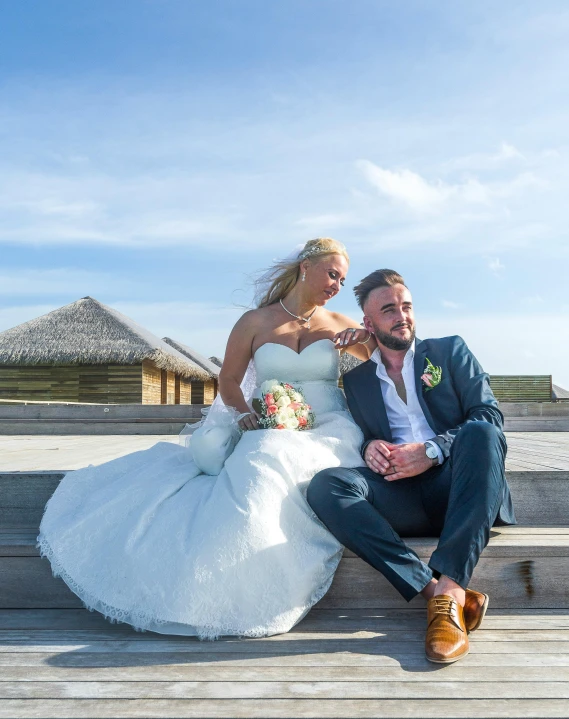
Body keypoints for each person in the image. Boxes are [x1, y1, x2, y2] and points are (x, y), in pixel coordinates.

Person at [38, 238, 374, 639]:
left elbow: (387, 362)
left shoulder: (341, 325)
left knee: (278, 456)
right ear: (305, 267)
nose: (337, 284)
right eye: (332, 273)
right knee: (262, 456)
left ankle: (265, 579)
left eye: (342, 278)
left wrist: (364, 340)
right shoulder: (254, 322)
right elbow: (228, 380)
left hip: (330, 427)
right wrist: (247, 413)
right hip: (267, 423)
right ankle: (221, 584)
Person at [307, 269, 516, 664]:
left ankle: (451, 592)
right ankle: (430, 591)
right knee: (326, 486)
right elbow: (368, 433)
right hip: (400, 492)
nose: (401, 315)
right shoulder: (358, 382)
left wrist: (433, 450)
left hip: (458, 486)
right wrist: (370, 446)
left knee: (482, 435)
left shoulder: (449, 351)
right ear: (368, 323)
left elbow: (489, 415)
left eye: (406, 306)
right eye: (388, 310)